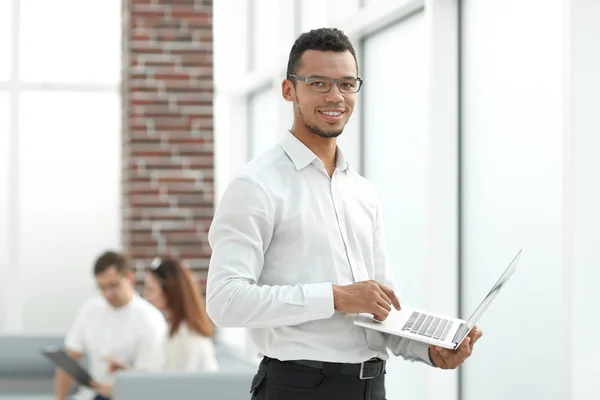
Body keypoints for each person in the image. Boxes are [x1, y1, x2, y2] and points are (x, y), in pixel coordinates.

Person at [205, 27, 483, 400]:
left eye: (347, 84)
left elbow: (380, 309)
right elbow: (225, 302)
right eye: (318, 83)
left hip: (371, 387)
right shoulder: (256, 185)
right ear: (290, 90)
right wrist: (335, 296)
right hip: (298, 388)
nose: (335, 96)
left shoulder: (363, 192)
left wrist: (428, 350)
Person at [54, 250, 167, 400]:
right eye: (102, 287)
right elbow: (70, 358)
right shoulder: (90, 310)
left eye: (113, 285)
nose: (108, 293)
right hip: (91, 394)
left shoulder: (150, 319)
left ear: (130, 278)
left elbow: (147, 381)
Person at [105, 257, 219, 374]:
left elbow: (172, 385)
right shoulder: (175, 329)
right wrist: (128, 372)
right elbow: (164, 376)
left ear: (169, 290)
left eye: (150, 289)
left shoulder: (186, 335)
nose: (146, 295)